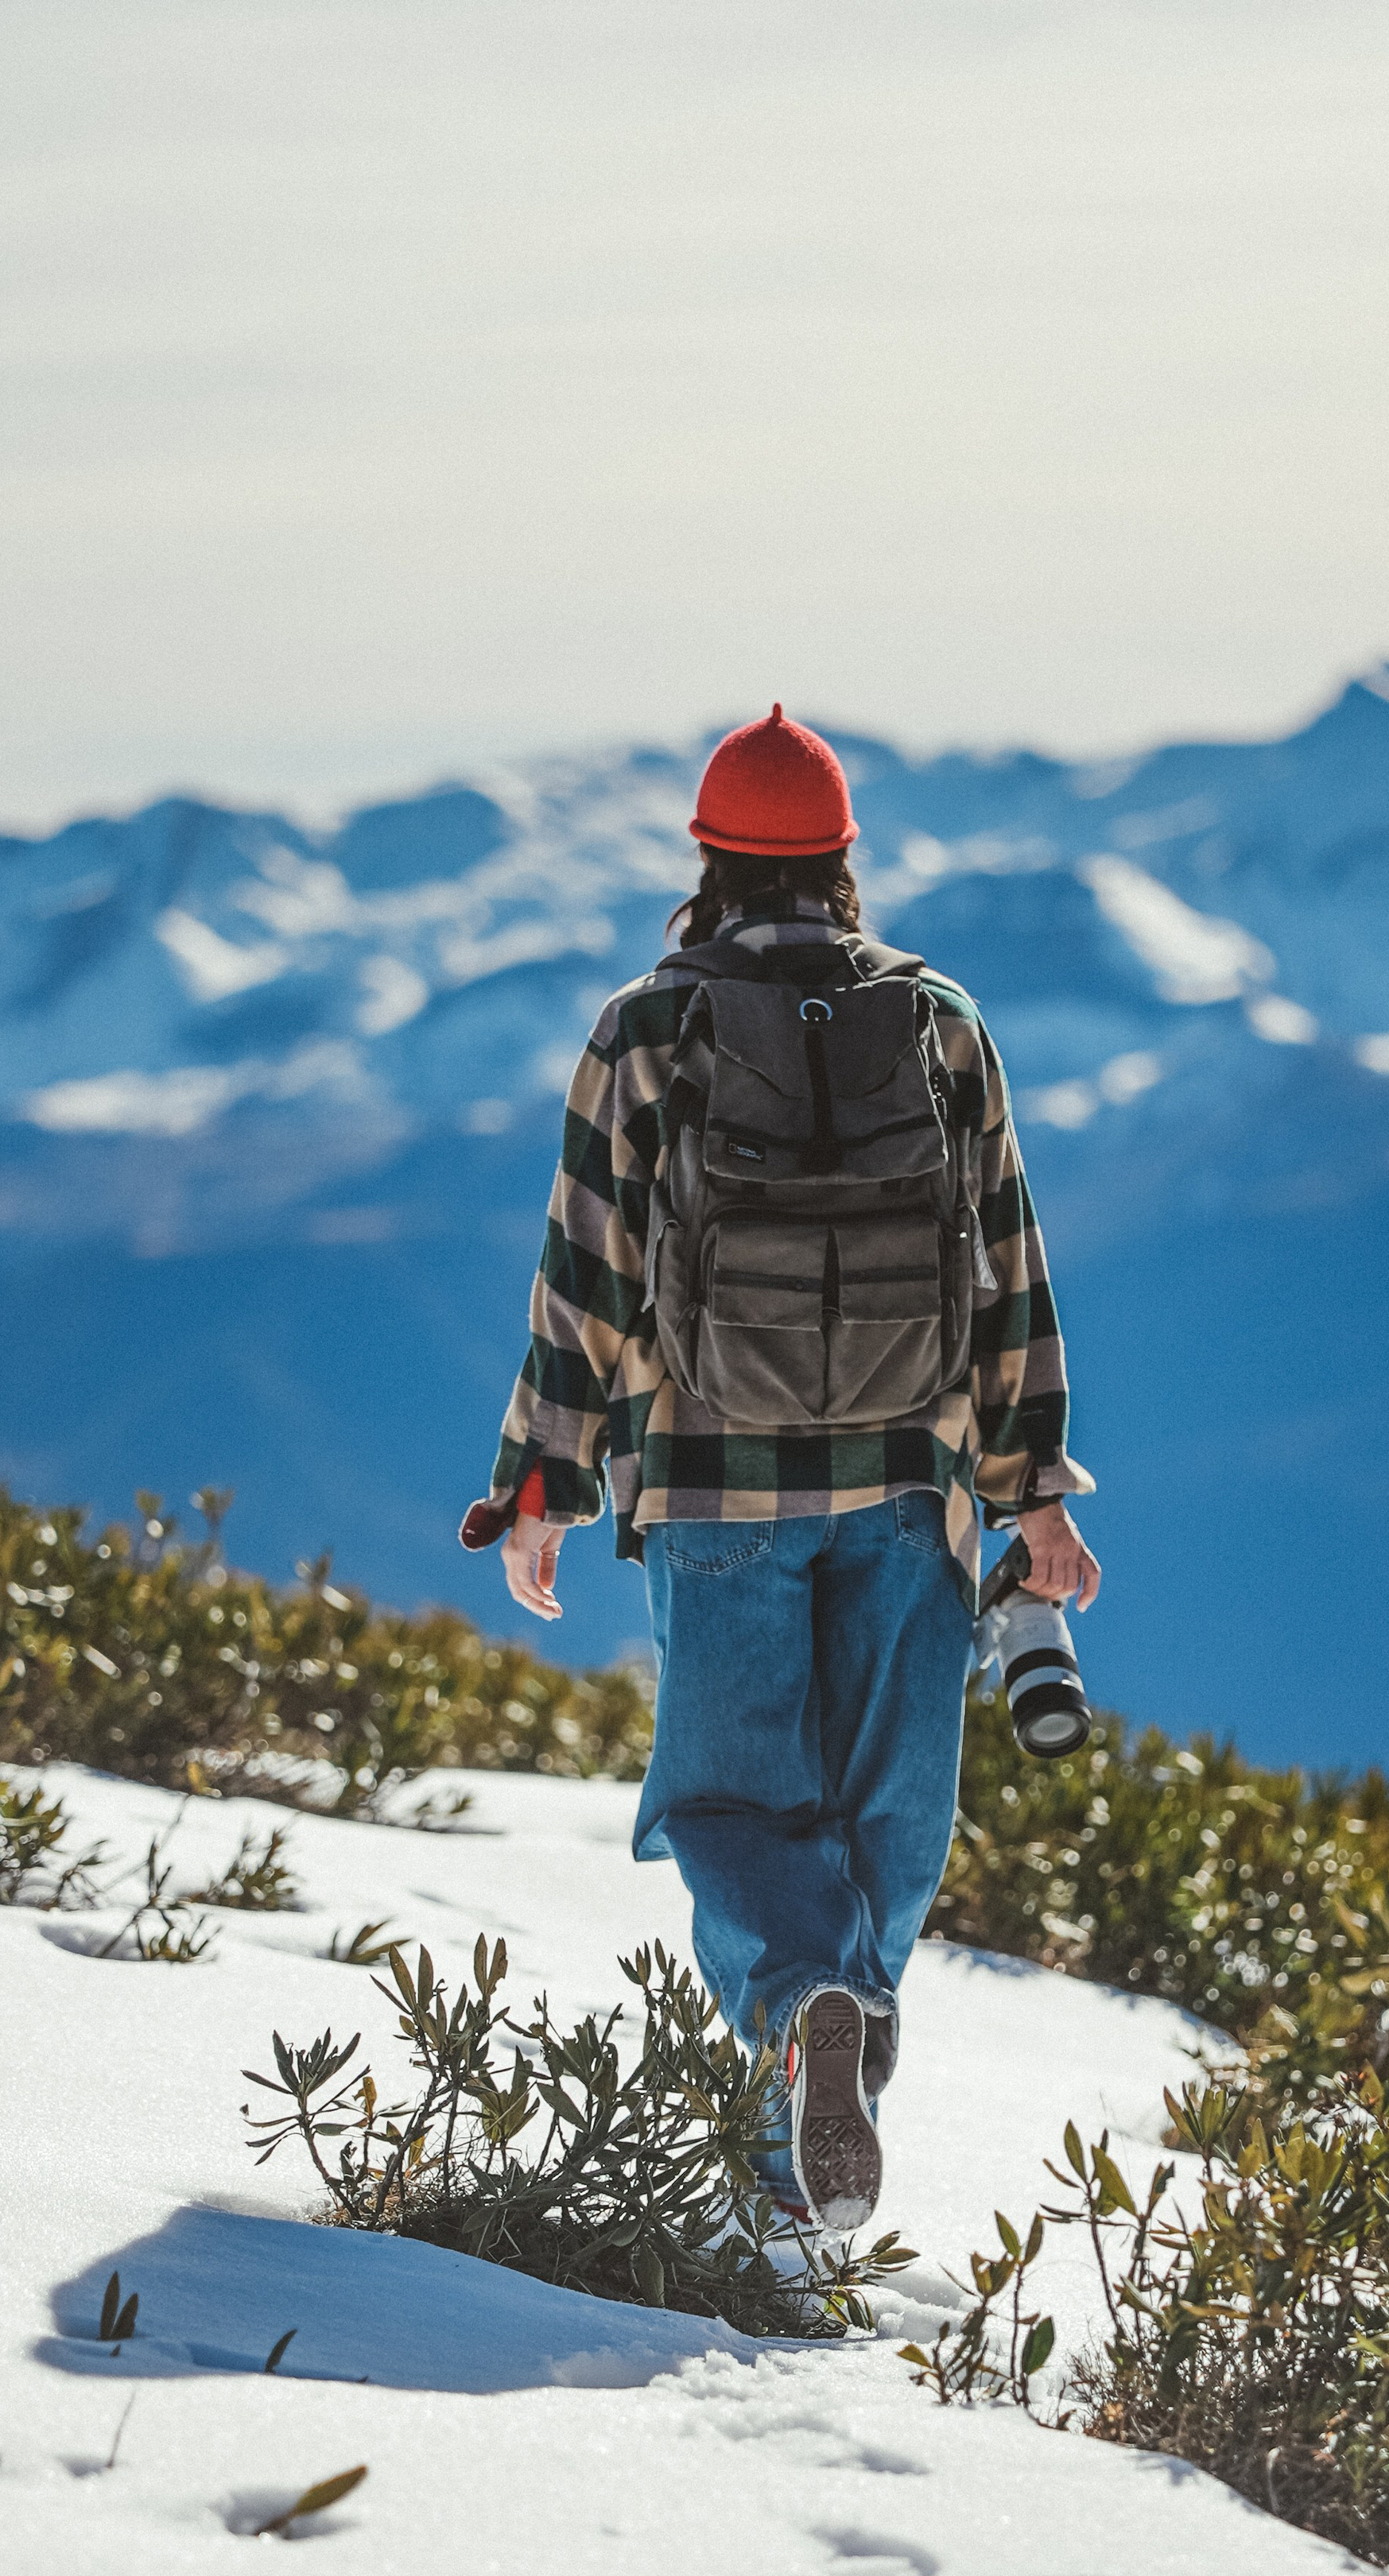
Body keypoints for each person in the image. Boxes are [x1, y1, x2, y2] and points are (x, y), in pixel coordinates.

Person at [467, 706, 1097, 2231]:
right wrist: (1036, 1494)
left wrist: (542, 1476)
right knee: (891, 1816)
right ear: (839, 863)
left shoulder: (645, 1028)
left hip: (713, 1489)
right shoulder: (940, 1021)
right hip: (913, 1489)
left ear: (710, 859)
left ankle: (799, 2049)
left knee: (735, 1805)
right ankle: (821, 2109)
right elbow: (1006, 1268)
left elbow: (588, 1270)